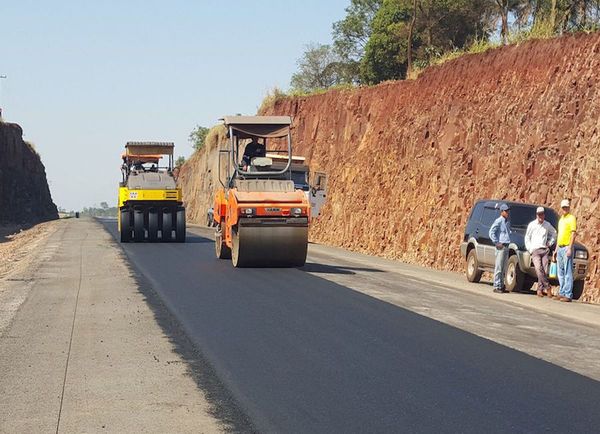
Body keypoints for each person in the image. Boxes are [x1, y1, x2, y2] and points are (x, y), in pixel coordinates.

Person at [525, 207, 557, 297]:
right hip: (535, 250)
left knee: (544, 270)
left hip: (544, 250)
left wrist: (550, 243)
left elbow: (554, 233)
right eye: (539, 214)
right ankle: (548, 287)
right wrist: (530, 249)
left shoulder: (547, 225)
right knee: (539, 269)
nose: (540, 216)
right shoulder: (532, 225)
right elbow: (527, 237)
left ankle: (539, 290)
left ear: (544, 215)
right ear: (536, 215)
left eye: (542, 214)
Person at [554, 199, 577, 302]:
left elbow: (573, 233)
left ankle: (568, 294)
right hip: (560, 247)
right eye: (563, 207)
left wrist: (570, 248)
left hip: (567, 247)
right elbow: (559, 235)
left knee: (568, 271)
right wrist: (556, 249)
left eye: (566, 207)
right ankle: (562, 292)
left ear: (569, 208)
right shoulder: (561, 219)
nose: (564, 209)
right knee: (560, 272)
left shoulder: (571, 218)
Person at [489, 203, 512, 293]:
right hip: (501, 246)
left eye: (508, 211)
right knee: (498, 267)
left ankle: (502, 285)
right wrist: (496, 242)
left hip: (506, 246)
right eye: (506, 211)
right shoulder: (499, 221)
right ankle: (497, 286)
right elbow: (491, 232)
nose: (507, 213)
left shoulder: (507, 222)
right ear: (501, 211)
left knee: (503, 267)